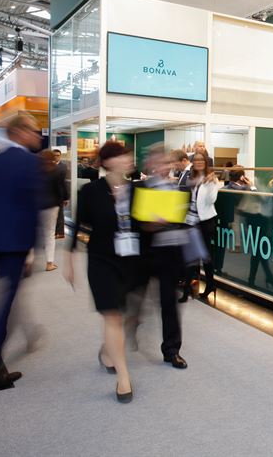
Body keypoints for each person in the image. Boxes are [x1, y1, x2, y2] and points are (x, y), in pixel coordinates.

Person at [65, 141, 140, 403]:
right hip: (101, 260)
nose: (129, 159)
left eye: (129, 155)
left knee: (128, 317)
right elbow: (81, 225)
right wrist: (69, 258)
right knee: (113, 316)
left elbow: (144, 226)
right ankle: (123, 377)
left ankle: (109, 352)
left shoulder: (137, 190)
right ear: (108, 162)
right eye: (122, 156)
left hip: (130, 261)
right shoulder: (91, 191)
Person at [0, 114, 41, 392]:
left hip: (0, 240)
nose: (37, 136)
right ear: (20, 132)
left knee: (8, 299)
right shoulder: (29, 162)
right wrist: (32, 250)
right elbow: (32, 208)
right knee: (7, 303)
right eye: (34, 131)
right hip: (16, 242)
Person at [133, 147, 189, 370]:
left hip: (169, 254)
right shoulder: (139, 188)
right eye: (159, 162)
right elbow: (133, 223)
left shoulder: (177, 189)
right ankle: (122, 337)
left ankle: (172, 350)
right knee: (134, 301)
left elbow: (183, 221)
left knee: (169, 303)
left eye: (167, 162)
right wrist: (149, 224)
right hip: (144, 254)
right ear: (150, 164)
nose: (164, 167)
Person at [182, 151, 220, 302]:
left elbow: (211, 200)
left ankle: (210, 285)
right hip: (191, 220)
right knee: (191, 255)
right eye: (196, 160)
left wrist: (210, 184)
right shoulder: (190, 177)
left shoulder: (211, 179)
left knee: (205, 256)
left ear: (205, 162)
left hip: (205, 221)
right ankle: (188, 287)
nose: (198, 162)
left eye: (201, 160)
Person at [38, 150, 66, 271]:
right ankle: (49, 263)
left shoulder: (35, 170)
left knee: (33, 230)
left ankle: (28, 259)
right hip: (52, 205)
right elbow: (61, 187)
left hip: (37, 205)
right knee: (50, 233)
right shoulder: (56, 170)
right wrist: (64, 198)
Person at [52, 149, 69, 239]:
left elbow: (64, 183)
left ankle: (60, 232)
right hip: (50, 194)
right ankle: (54, 231)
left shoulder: (63, 166)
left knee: (60, 214)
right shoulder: (49, 165)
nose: (56, 157)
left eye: (57, 155)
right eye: (54, 155)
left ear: (60, 156)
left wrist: (66, 197)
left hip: (60, 194)